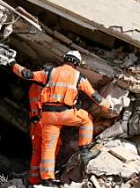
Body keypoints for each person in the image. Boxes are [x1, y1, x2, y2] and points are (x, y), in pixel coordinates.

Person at [12, 51, 112, 184]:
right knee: (86, 119)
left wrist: (12, 63)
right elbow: (93, 95)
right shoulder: (78, 76)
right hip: (65, 114)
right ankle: (84, 151)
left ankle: (47, 180)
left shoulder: (49, 73)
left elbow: (27, 74)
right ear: (77, 63)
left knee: (48, 148)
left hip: (47, 117)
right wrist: (107, 106)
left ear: (64, 59)